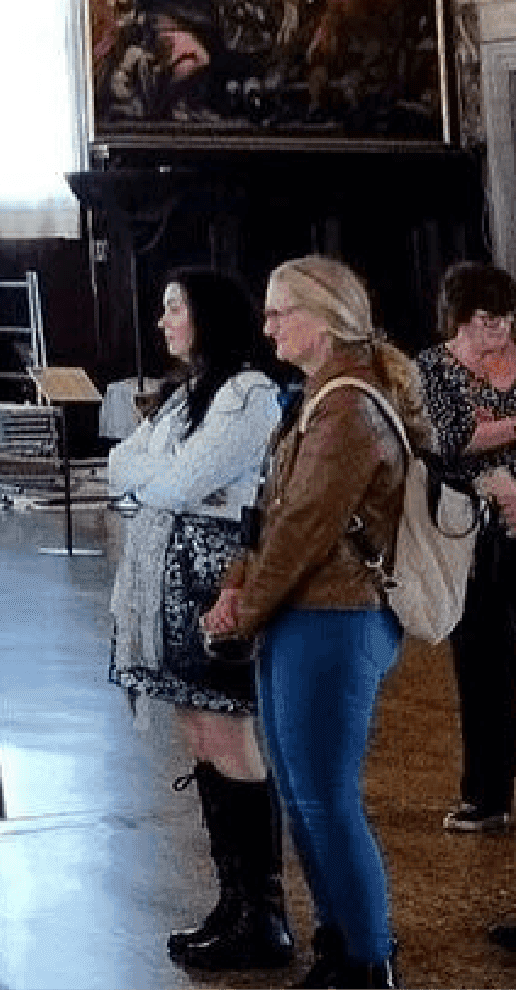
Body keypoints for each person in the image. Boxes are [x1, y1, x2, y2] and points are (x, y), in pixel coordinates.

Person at [202, 256, 418, 990]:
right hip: (298, 614)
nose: (266, 327)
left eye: (278, 312)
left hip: (336, 618)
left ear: (323, 320)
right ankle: (339, 943)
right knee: (301, 796)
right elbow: (268, 512)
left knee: (325, 798)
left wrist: (241, 612)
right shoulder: (317, 399)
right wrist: (237, 587)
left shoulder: (348, 410)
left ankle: (367, 960)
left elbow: (302, 530)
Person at [104, 269, 290, 970]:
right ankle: (231, 900)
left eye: (173, 308)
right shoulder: (187, 395)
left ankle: (264, 915)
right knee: (197, 735)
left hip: (213, 578)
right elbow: (118, 464)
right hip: (167, 575)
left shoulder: (248, 393)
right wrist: (161, 479)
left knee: (228, 734)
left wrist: (159, 480)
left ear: (208, 314)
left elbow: (182, 480)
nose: (163, 322)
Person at [416, 261, 516, 839]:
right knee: (480, 667)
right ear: (459, 318)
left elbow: (474, 437)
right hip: (470, 536)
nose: (498, 330)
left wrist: (493, 432)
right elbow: (447, 441)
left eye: (505, 320)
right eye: (486, 320)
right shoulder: (433, 367)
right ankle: (487, 795)